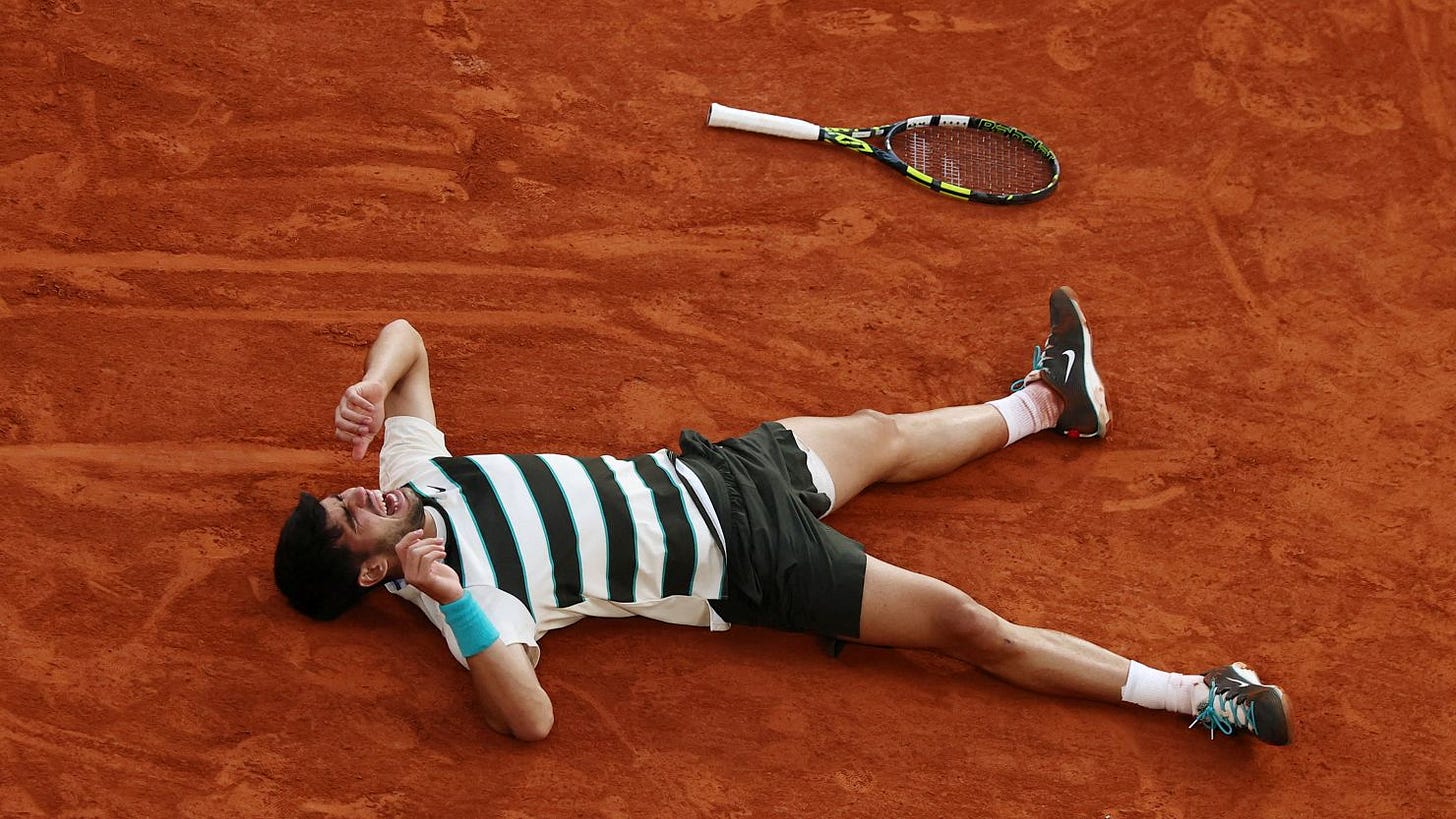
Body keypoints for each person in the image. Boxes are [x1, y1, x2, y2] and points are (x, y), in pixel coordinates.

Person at [273, 287, 1291, 745]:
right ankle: (1196, 695)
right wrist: (453, 602)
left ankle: (1053, 401)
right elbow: (528, 721)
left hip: (723, 471)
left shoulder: (421, 473)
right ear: (372, 572)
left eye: (340, 493)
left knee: (880, 434)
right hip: (750, 561)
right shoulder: (476, 602)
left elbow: (407, 333)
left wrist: (371, 383)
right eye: (346, 520)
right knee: (968, 629)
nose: (356, 490)